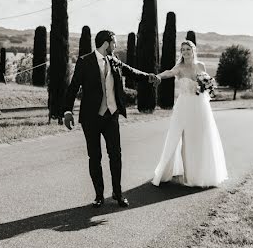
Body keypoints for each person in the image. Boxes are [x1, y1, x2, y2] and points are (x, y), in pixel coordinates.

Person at [64, 30, 160, 207]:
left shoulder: (114, 61)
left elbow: (131, 72)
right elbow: (73, 87)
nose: (116, 46)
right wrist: (67, 111)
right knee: (95, 157)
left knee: (115, 155)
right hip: (90, 119)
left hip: (111, 117)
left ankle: (117, 193)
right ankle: (99, 195)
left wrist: (149, 77)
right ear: (107, 43)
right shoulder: (85, 62)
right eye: (114, 42)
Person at [151, 40, 228, 187]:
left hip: (200, 107)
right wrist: (158, 76)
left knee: (201, 138)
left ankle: (202, 173)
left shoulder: (201, 66)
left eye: (188, 49)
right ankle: (189, 176)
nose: (185, 52)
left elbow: (207, 84)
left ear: (193, 51)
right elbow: (169, 72)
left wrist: (207, 86)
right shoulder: (179, 67)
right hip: (184, 107)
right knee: (185, 139)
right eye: (183, 49)